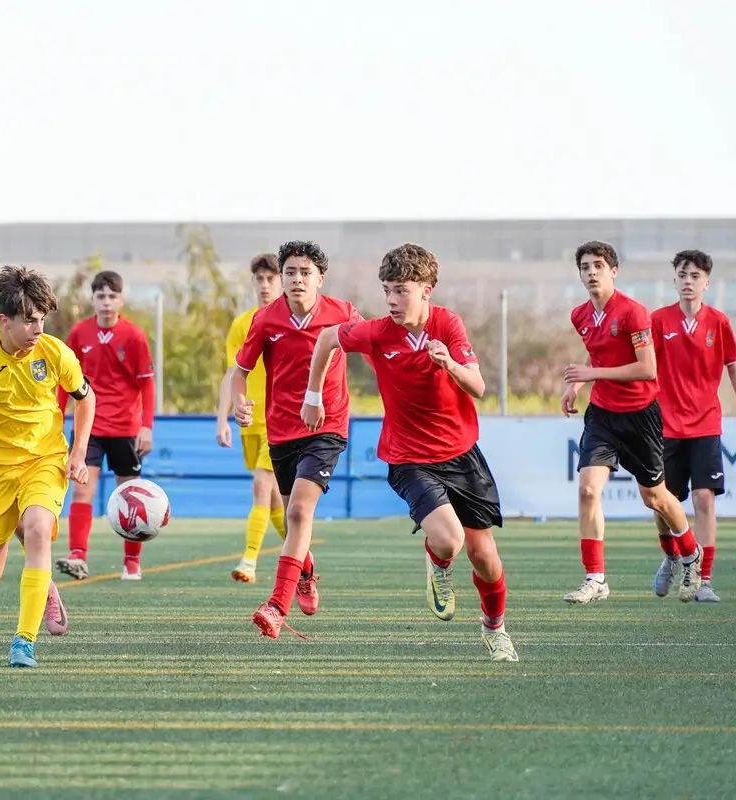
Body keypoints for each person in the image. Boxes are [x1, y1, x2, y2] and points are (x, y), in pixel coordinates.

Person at [303, 244, 518, 662]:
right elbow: (328, 338)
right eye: (387, 290)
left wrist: (449, 364)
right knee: (449, 540)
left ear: (426, 290)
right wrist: (314, 396)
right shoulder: (377, 332)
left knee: (485, 557)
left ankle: (495, 630)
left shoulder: (448, 325)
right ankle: (438, 562)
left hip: (461, 455)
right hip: (409, 458)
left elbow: (478, 386)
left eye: (401, 290)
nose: (391, 300)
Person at [0, 266, 95, 668]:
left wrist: (78, 453)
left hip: (44, 460)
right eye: (28, 320)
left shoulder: (55, 352)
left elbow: (86, 398)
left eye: (41, 319)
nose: (38, 329)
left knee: (38, 529)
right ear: (4, 319)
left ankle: (24, 642)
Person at [560, 241, 703, 604]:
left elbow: (647, 368)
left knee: (655, 497)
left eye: (598, 266)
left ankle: (690, 555)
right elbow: (595, 356)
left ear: (613, 271)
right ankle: (596, 578)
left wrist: (592, 374)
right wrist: (575, 387)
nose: (591, 272)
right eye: (585, 267)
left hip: (640, 416)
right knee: (588, 490)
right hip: (602, 416)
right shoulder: (579, 315)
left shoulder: (633, 313)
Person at [232, 240, 360, 639]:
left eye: (306, 273)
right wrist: (239, 402)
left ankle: (276, 606)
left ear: (321, 278)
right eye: (290, 272)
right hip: (281, 431)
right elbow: (240, 371)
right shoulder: (265, 320)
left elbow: (375, 344)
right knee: (292, 520)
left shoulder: (343, 313)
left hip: (327, 427)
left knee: (301, 512)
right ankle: (304, 573)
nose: (297, 279)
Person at [650, 249, 736, 603]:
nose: (688, 281)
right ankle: (672, 557)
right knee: (662, 503)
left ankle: (703, 579)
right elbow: (641, 366)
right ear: (674, 281)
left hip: (705, 424)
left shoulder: (719, 323)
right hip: (665, 427)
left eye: (695, 276)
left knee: (704, 498)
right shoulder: (658, 320)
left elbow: (734, 369)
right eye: (682, 275)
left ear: (706, 283)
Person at [56, 270, 156, 581]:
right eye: (101, 296)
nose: (107, 302)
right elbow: (65, 380)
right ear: (93, 299)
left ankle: (131, 562)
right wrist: (57, 415)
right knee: (81, 491)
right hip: (89, 426)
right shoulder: (79, 333)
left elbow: (147, 384)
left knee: (130, 496)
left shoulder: (134, 336)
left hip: (126, 427)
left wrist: (147, 426)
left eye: (112, 296)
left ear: (121, 300)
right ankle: (78, 556)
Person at [216, 254, 287, 583]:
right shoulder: (242, 324)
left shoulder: (289, 321)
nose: (265, 285)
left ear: (281, 281)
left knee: (261, 485)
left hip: (279, 420)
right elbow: (232, 373)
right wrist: (222, 419)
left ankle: (249, 560)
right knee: (271, 498)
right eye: (259, 279)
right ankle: (300, 554)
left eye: (271, 278)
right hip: (248, 421)